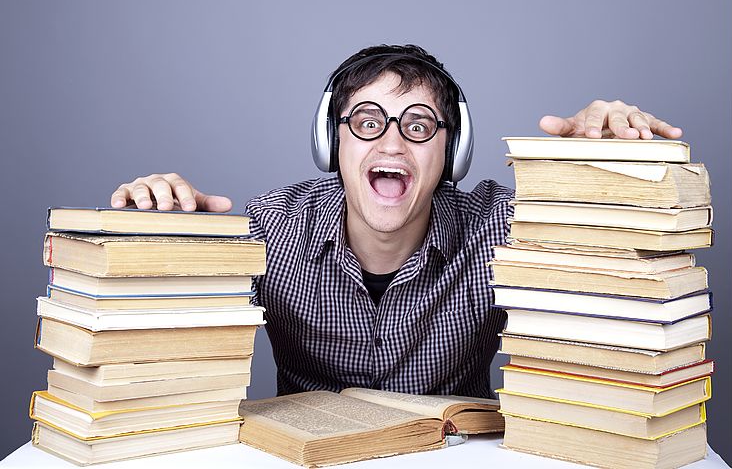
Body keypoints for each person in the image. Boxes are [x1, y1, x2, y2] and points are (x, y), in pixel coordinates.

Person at [109, 44, 682, 398]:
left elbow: (619, 268)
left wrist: (600, 161)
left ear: (452, 153)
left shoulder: (501, 231)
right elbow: (152, 350)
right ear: (329, 143)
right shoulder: (268, 232)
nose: (391, 141)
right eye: (366, 120)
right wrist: (160, 228)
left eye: (417, 125)